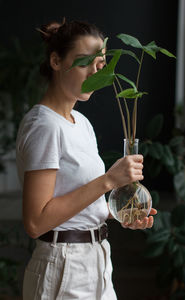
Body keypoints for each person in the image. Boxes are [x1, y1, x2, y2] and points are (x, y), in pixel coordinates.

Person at [16, 17, 157, 300]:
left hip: (97, 260)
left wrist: (118, 213)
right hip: (63, 266)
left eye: (101, 64)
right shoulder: (45, 126)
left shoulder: (80, 122)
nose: (96, 70)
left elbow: (78, 202)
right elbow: (35, 222)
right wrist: (109, 180)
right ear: (56, 61)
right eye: (85, 61)